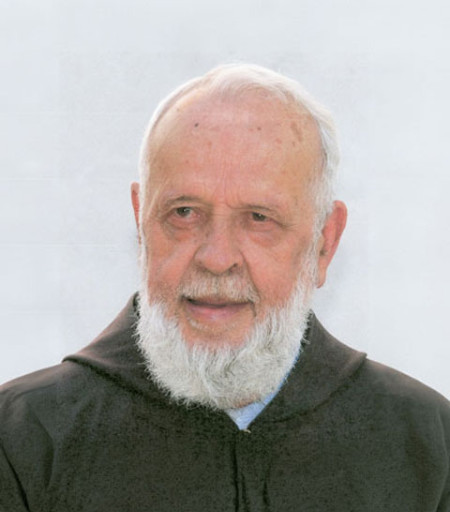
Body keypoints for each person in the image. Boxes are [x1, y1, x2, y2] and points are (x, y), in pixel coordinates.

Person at [1, 63, 449, 512]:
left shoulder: (428, 444)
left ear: (324, 243)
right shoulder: (21, 440)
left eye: (259, 218)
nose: (217, 257)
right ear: (140, 223)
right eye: (184, 213)